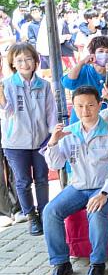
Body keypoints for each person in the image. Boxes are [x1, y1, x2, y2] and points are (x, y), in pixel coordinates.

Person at [41, 86, 108, 275]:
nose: (85, 110)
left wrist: (104, 194)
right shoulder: (68, 133)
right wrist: (53, 143)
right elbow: (55, 165)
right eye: (79, 106)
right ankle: (61, 263)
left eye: (90, 105)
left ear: (100, 105)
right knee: (50, 211)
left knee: (96, 212)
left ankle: (97, 263)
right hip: (79, 187)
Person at [0, 43, 58, 235]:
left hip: (41, 141)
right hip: (15, 143)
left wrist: (52, 134)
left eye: (28, 58)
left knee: (42, 178)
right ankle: (31, 217)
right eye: (19, 60)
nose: (24, 63)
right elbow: (7, 112)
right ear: (13, 64)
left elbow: (51, 112)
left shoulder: (44, 85)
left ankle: (44, 213)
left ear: (35, 61)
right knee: (23, 181)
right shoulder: (7, 85)